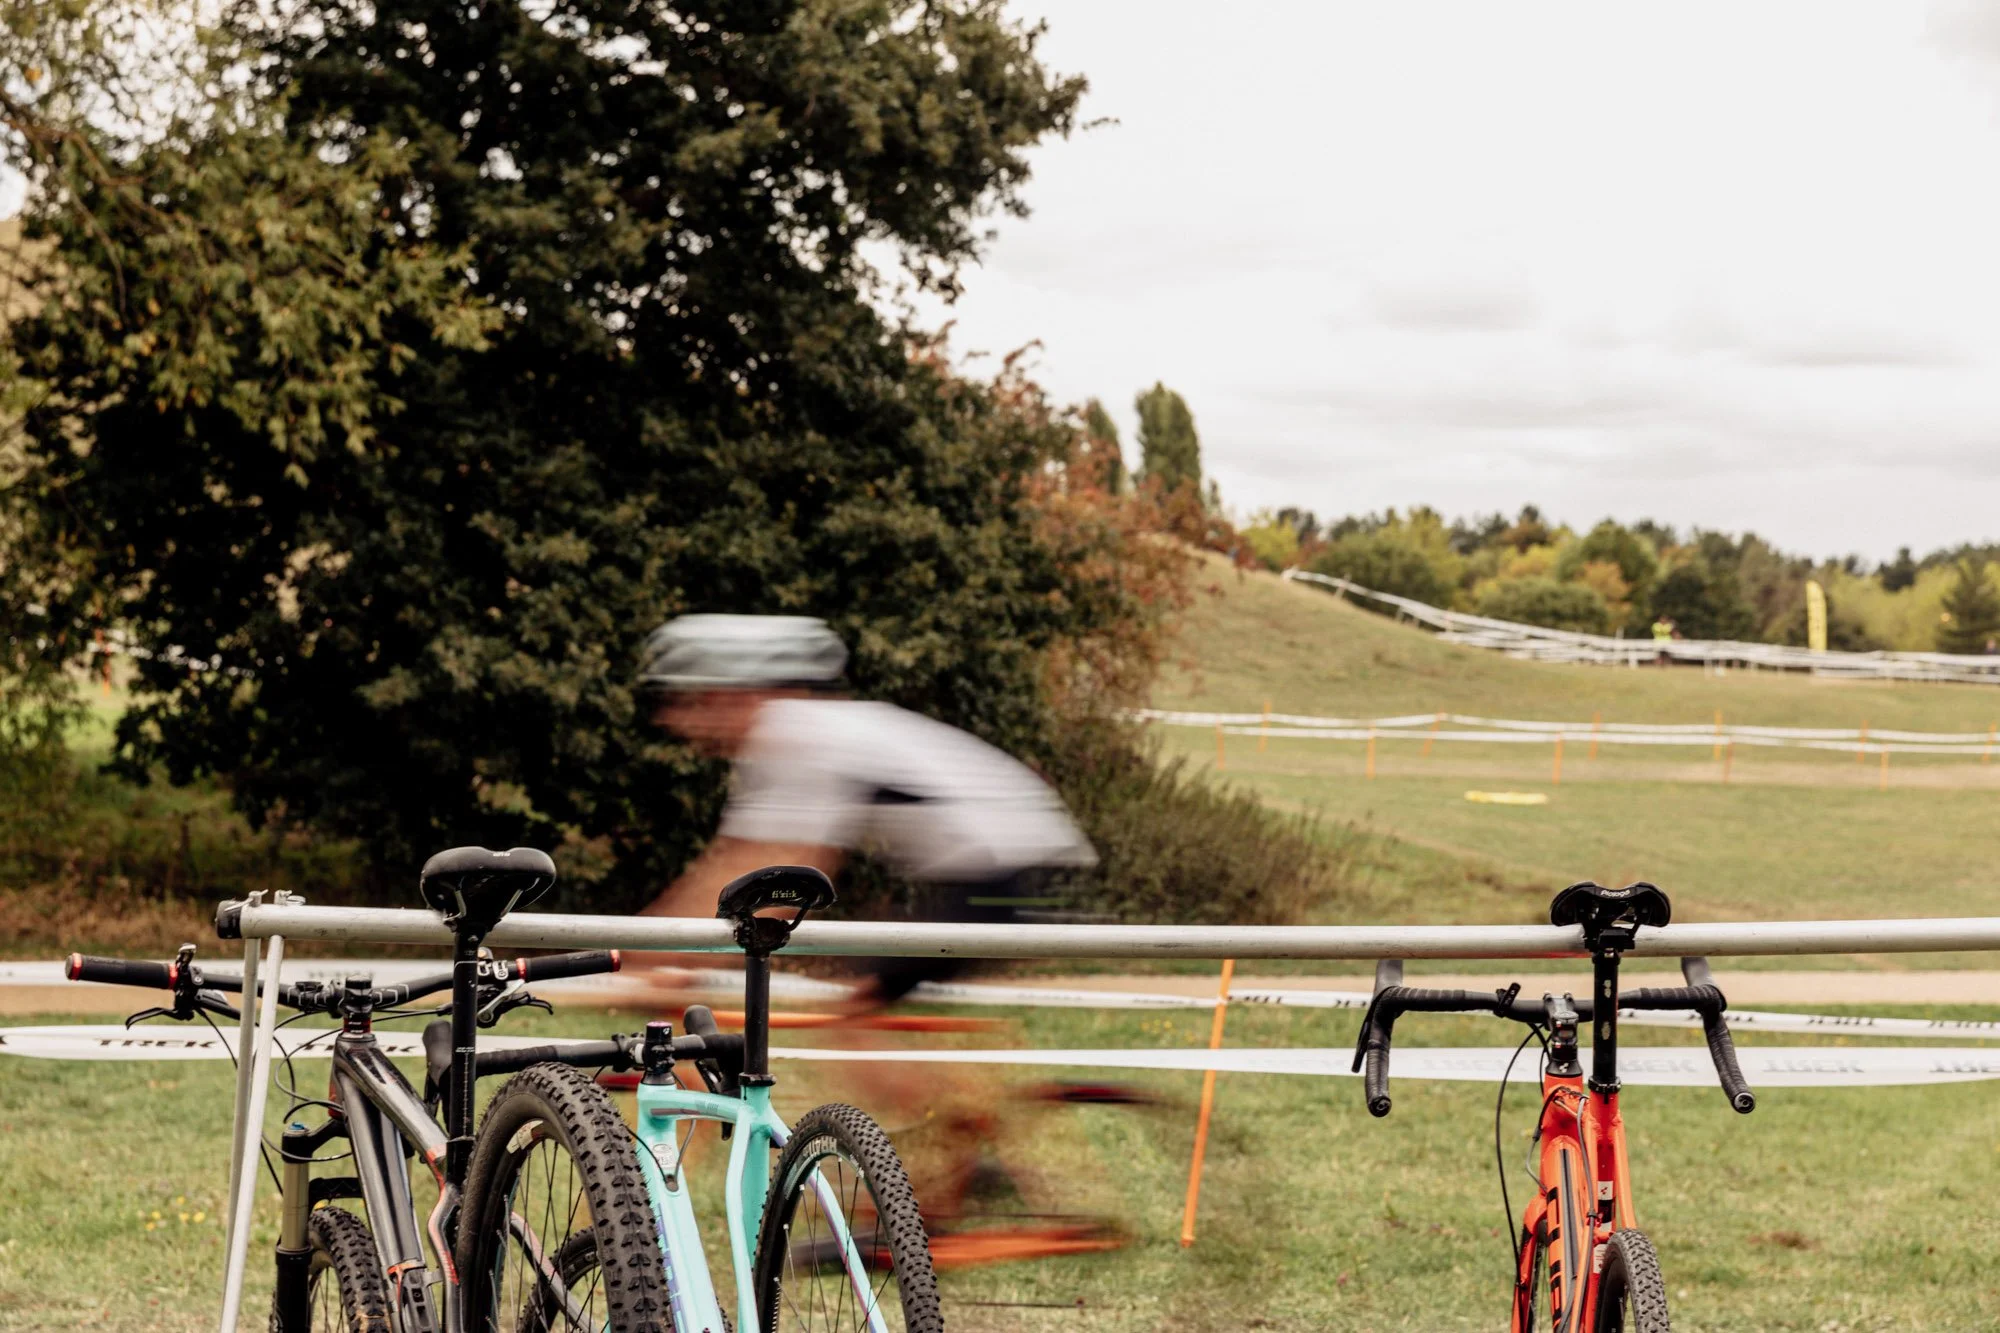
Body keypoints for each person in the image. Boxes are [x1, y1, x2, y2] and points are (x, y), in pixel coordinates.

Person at [634, 613, 1097, 1002]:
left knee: (854, 1012)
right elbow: (735, 866)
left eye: (687, 703)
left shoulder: (795, 735)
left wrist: (649, 956)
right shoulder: (801, 731)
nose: (678, 721)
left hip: (1000, 867)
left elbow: (783, 881)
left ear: (730, 695)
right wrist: (663, 952)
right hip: (1001, 857)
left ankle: (971, 1113)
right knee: (862, 1003)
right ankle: (966, 1110)